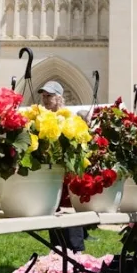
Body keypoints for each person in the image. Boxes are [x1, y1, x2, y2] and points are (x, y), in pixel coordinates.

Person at [41, 81, 84, 251]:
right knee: (54, 208)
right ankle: (57, 249)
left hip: (67, 171)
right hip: (49, 171)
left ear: (59, 98)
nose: (45, 99)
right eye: (44, 96)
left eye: (49, 95)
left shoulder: (69, 118)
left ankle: (76, 251)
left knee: (69, 209)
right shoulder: (42, 119)